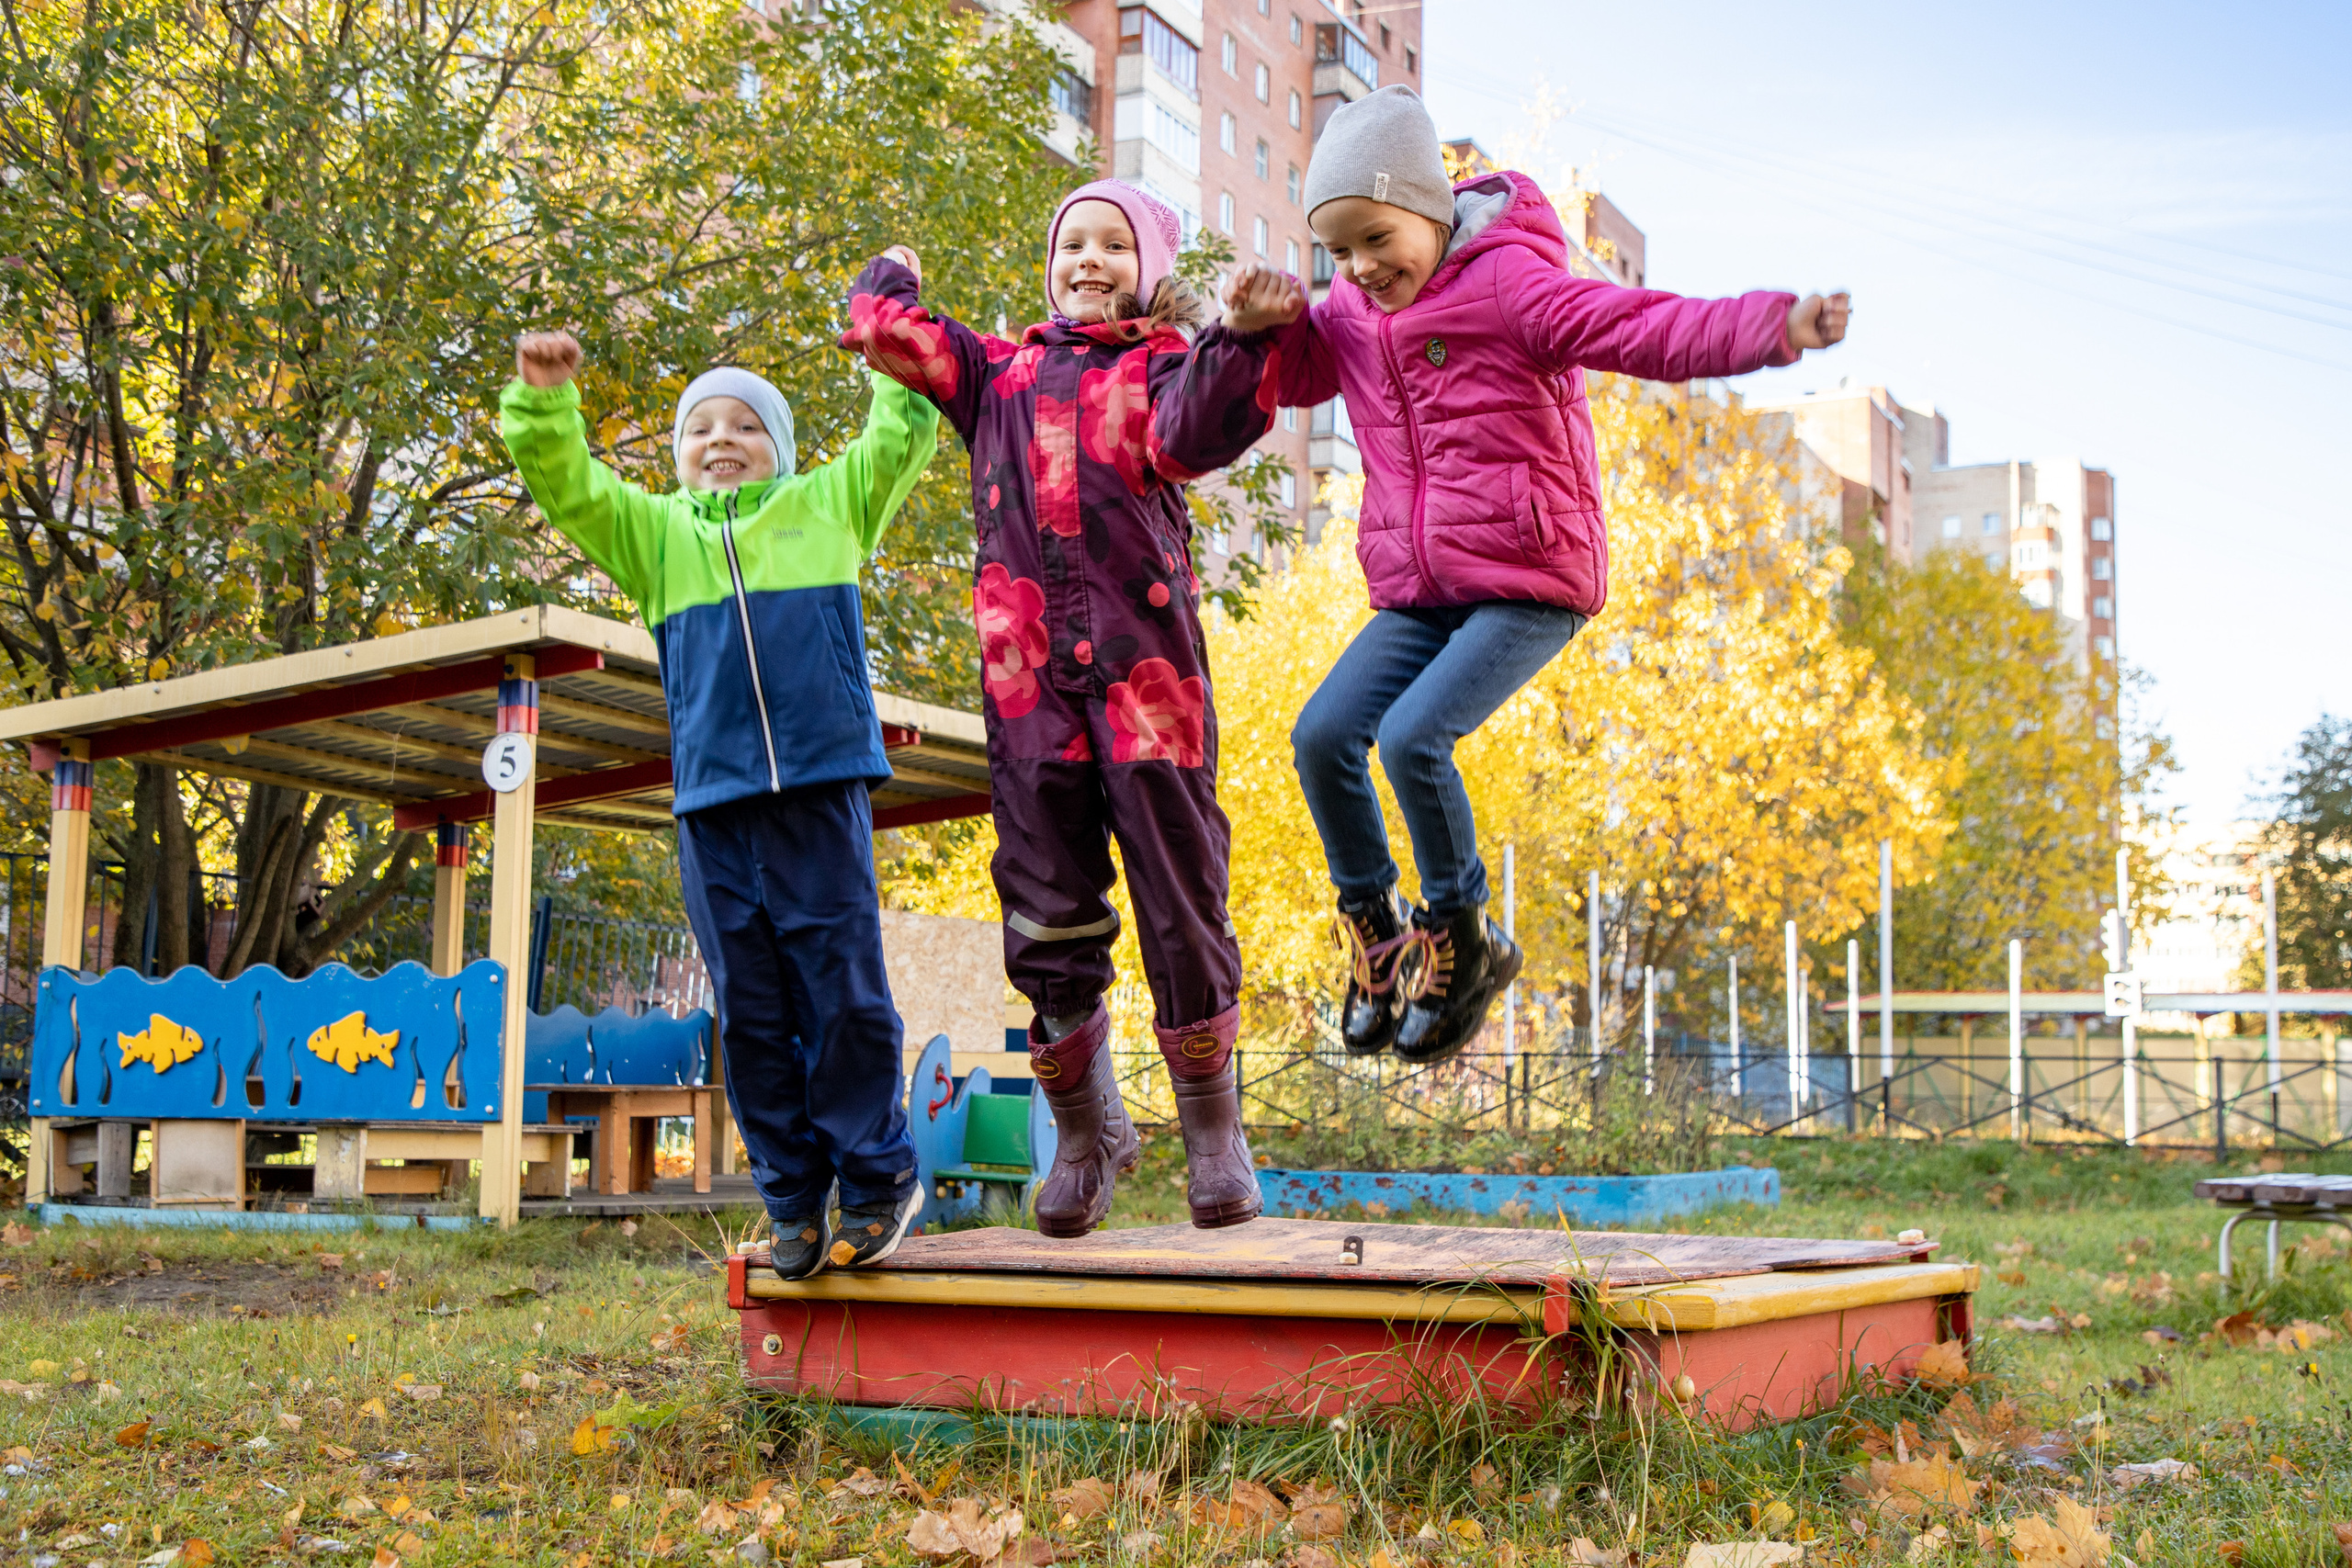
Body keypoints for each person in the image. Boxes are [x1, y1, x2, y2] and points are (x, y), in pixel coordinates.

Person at [1272, 86, 1850, 1065]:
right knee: (1322, 733)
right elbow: (1283, 380)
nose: (1364, 271)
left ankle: (1463, 935)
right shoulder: (1352, 314)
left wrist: (1776, 326)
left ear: (1429, 209)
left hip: (1530, 578)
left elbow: (1643, 328)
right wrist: (1249, 326)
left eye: (1377, 240)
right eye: (1340, 254)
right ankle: (1375, 931)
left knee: (1414, 737)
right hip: (1422, 589)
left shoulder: (1513, 286)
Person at [841, 180, 1303, 1235]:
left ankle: (1212, 1130)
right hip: (1029, 686)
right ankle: (1088, 1134)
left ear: (1146, 269)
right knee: (1043, 899)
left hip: (1150, 688)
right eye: (1071, 244)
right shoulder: (996, 376)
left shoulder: (1161, 369)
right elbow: (890, 334)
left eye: (1111, 246)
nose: (1086, 260)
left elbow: (1200, 431)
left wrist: (1239, 336)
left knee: (1181, 896)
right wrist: (893, 279)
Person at [501, 333, 941, 1280]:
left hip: (819, 793)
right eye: (701, 427)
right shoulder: (655, 538)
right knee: (748, 1007)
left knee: (842, 996)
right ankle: (791, 1196)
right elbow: (570, 488)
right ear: (678, 454)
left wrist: (890, 336)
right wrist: (545, 402)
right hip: (713, 807)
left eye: (747, 424)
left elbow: (899, 434)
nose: (723, 438)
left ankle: (873, 1180)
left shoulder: (828, 508)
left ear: (781, 446)